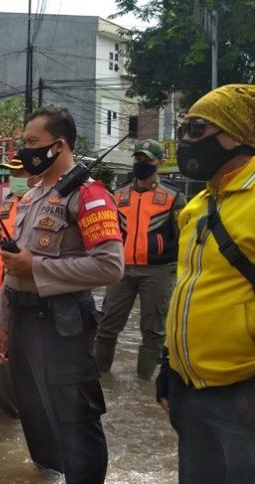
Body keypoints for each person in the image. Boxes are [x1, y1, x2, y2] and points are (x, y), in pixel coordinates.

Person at [0, 105, 124, 483]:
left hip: (63, 324)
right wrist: (2, 322)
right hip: (22, 321)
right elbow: (14, 266)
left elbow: (110, 267)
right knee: (35, 413)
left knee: (75, 418)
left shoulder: (89, 196)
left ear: (59, 145)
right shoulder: (32, 197)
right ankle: (48, 474)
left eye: (32, 142)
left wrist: (37, 267)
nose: (25, 150)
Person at [156, 84, 255, 483]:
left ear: (238, 134)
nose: (185, 140)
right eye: (182, 129)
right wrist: (168, 365)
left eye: (197, 129)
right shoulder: (197, 206)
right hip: (189, 388)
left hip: (242, 389)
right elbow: (186, 290)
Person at [94, 139, 186, 380]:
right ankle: (99, 378)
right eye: (138, 158)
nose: (141, 163)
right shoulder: (119, 194)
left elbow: (183, 237)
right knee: (107, 325)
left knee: (153, 330)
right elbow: (109, 232)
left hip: (158, 271)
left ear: (159, 162)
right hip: (121, 269)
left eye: (147, 159)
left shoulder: (173, 196)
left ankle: (144, 382)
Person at [0, 158, 37, 416]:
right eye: (13, 173)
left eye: (21, 172)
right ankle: (6, 414)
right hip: (3, 291)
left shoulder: (47, 203)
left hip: (34, 291)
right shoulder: (6, 205)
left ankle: (31, 410)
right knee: (0, 353)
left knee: (32, 353)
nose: (16, 178)